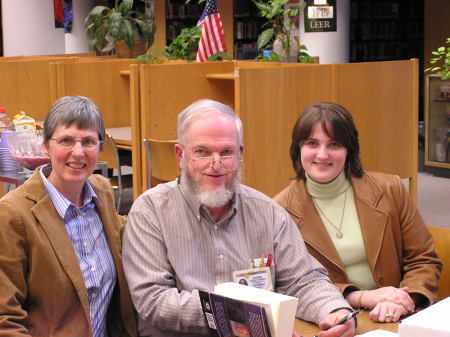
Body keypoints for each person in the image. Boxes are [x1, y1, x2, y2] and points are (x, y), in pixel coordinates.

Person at [122, 99, 356, 337]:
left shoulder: (268, 212)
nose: (216, 165)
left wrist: (334, 310)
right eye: (202, 152)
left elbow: (303, 280)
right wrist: (243, 318)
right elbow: (154, 301)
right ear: (181, 155)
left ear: (240, 154)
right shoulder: (149, 212)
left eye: (226, 152)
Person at [274, 102, 442, 323]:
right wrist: (360, 297)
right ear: (298, 148)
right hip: (329, 319)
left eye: (334, 144)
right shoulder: (279, 211)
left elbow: (423, 259)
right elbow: (288, 283)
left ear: (349, 149)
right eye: (312, 143)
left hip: (396, 316)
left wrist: (402, 300)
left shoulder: (389, 188)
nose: (322, 154)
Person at [0, 96, 137, 336]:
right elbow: (5, 319)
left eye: (88, 141)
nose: (78, 152)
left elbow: (128, 232)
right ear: (45, 146)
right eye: (66, 140)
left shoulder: (102, 192)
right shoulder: (13, 215)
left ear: (100, 148)